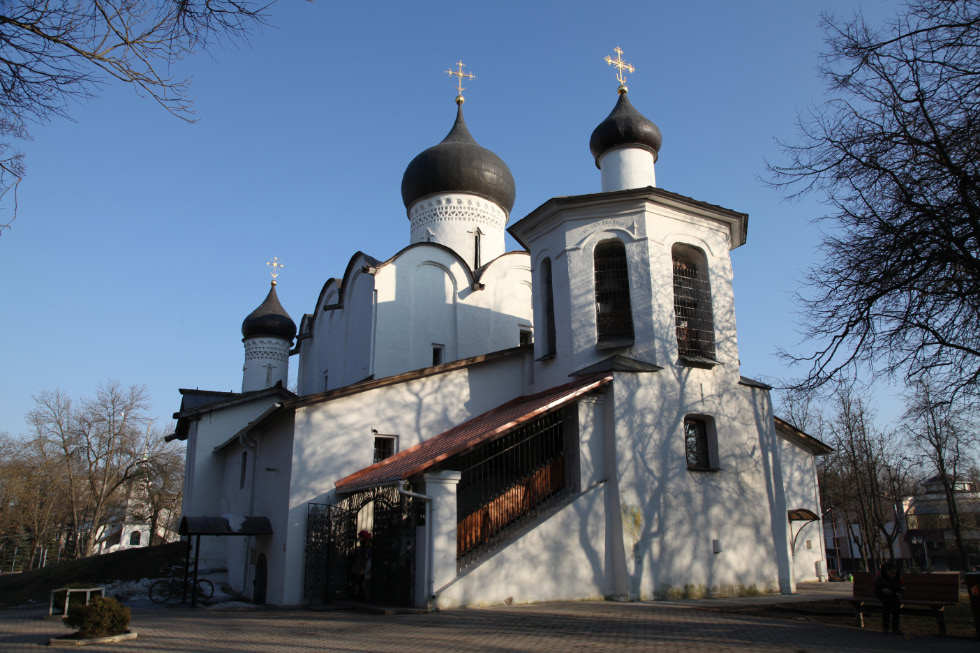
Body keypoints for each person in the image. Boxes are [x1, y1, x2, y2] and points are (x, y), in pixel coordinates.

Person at [873, 561, 905, 634]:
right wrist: (883, 590)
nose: (893, 575)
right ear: (886, 572)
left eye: (894, 573)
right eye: (891, 573)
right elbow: (876, 587)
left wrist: (900, 593)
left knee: (896, 610)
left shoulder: (898, 577)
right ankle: (885, 627)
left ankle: (895, 627)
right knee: (886, 610)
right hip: (884, 596)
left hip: (894, 595)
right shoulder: (880, 576)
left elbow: (901, 586)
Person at [352, 530, 372, 601]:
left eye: (361, 537)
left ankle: (361, 596)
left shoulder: (366, 546)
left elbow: (365, 557)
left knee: (360, 582)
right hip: (361, 567)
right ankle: (359, 595)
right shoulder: (363, 546)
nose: (359, 539)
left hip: (363, 567)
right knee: (358, 582)